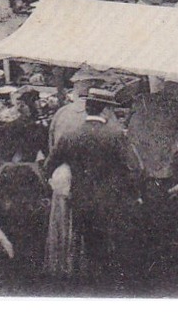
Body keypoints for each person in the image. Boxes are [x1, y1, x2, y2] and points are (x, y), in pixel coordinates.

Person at [46, 87, 143, 289]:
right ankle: (107, 285)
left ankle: (90, 284)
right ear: (106, 110)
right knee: (110, 245)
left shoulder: (71, 135)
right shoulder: (116, 136)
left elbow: (50, 165)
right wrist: (132, 193)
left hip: (80, 200)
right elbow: (134, 168)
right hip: (111, 201)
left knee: (89, 244)